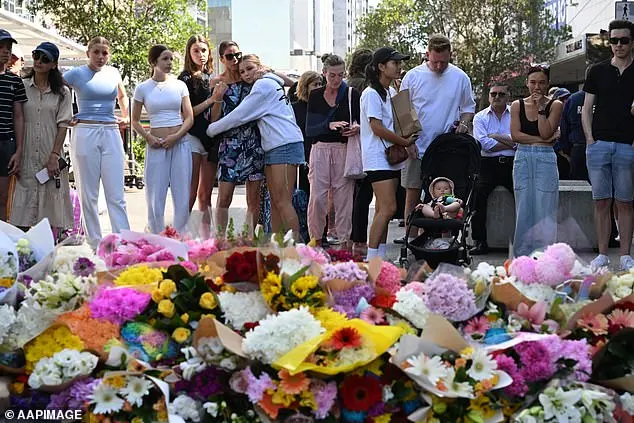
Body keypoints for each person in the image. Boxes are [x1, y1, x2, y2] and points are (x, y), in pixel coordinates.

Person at [206, 55, 304, 237]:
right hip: (275, 146)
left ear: (260, 67)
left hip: (285, 144)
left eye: (250, 68)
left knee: (283, 201)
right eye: (242, 71)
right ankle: (277, 246)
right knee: (275, 201)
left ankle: (297, 249)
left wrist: (211, 129)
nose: (246, 74)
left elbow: (240, 115)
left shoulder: (264, 85)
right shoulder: (272, 83)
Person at [397, 34, 476, 244]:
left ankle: (441, 241)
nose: (440, 66)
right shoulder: (413, 76)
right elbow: (403, 111)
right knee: (412, 196)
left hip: (445, 149)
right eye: (435, 61)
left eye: (444, 61)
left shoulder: (460, 77)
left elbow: (468, 108)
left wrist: (465, 124)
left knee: (444, 198)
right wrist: (408, 142)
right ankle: (410, 241)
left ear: (451, 55)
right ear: (426, 55)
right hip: (417, 146)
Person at [63, 36, 130, 248]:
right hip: (85, 130)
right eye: (96, 52)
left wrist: (127, 115)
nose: (101, 57)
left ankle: (123, 241)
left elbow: (122, 96)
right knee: (88, 192)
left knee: (116, 193)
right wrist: (66, 115)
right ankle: (95, 243)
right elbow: (57, 88)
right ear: (88, 53)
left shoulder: (113, 72)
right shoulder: (77, 73)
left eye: (105, 53)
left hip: (110, 130)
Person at [582, 19, 634, 271]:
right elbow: (586, 109)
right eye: (614, 40)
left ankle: (625, 255)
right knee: (601, 201)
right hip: (599, 143)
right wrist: (590, 139)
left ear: (632, 42)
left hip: (628, 145)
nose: (618, 45)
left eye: (624, 40)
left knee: (625, 202)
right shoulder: (597, 71)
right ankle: (602, 254)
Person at [10, 42, 73, 232]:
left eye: (45, 59)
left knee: (50, 212)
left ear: (54, 64)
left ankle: (50, 254)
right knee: (21, 211)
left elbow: (63, 124)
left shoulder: (63, 92)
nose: (39, 61)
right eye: (37, 55)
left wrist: (54, 155)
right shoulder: (21, 86)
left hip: (49, 151)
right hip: (26, 150)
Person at [361, 47, 417, 260]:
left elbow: (399, 119)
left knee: (382, 211)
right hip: (377, 157)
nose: (399, 66)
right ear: (381, 67)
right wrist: (404, 142)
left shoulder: (390, 92)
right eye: (394, 63)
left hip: (390, 157)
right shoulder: (371, 94)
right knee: (388, 208)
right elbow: (377, 127)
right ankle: (372, 256)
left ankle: (379, 256)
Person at [132, 45, 193, 234]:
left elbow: (189, 117)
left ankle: (181, 236)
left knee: (182, 193)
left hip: (180, 144)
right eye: (164, 59)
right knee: (155, 195)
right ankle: (156, 236)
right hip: (157, 146)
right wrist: (148, 137)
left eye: (171, 59)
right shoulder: (143, 88)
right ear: (153, 62)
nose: (169, 63)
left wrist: (176, 136)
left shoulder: (179, 85)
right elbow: (134, 120)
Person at [208, 44, 265, 235]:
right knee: (224, 197)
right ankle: (221, 239)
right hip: (230, 146)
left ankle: (248, 239)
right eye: (229, 56)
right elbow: (214, 119)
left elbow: (289, 84)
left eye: (237, 55)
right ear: (222, 59)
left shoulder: (251, 79)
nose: (234, 59)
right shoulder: (217, 82)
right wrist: (217, 98)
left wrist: (267, 70)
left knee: (254, 198)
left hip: (254, 144)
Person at [305, 54, 361, 249]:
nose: (337, 80)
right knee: (317, 197)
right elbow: (310, 129)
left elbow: (363, 122)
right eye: (332, 76)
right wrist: (329, 125)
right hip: (320, 149)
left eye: (340, 75)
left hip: (344, 148)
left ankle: (345, 243)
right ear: (324, 74)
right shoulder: (315, 95)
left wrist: (356, 128)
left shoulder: (352, 94)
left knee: (344, 198)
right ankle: (317, 240)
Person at [510, 64, 563, 257]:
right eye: (533, 82)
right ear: (527, 83)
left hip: (545, 158)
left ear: (548, 83)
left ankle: (546, 257)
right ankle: (522, 257)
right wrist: (543, 141)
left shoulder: (555, 105)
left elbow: (546, 131)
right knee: (523, 207)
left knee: (545, 207)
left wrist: (541, 110)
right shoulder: (517, 105)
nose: (537, 87)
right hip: (523, 157)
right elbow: (515, 135)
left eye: (541, 82)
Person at [470, 83, 515, 255]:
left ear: (508, 96)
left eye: (501, 94)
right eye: (493, 94)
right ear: (489, 96)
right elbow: (484, 145)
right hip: (487, 165)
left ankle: (524, 241)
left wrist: (495, 136)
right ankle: (480, 241)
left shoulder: (516, 114)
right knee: (477, 198)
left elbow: (519, 142)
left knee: (523, 198)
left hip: (512, 163)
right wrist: (509, 141)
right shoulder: (480, 117)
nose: (497, 97)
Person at [178, 35, 217, 213]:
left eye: (203, 50)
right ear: (189, 53)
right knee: (190, 192)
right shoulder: (184, 79)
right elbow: (187, 114)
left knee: (206, 195)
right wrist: (212, 100)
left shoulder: (212, 77)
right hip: (192, 136)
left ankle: (205, 237)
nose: (200, 54)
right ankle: (178, 233)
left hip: (210, 138)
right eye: (195, 50)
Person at [347, 48, 375, 256]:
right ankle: (359, 239)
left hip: (347, 144)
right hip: (363, 142)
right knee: (363, 196)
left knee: (348, 195)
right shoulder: (366, 87)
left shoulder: (348, 83)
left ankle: (350, 238)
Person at [0, 30, 26, 222]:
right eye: (1, 47)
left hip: (6, 143)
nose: (5, 52)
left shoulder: (15, 81)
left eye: (8, 48)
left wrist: (18, 150)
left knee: (3, 198)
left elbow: (18, 116)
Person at [292, 70, 322, 194]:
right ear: (305, 86)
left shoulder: (323, 107)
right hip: (301, 159)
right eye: (315, 84)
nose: (319, 88)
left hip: (320, 156)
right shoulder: (294, 108)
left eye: (321, 84)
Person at [559, 88, 587, 180]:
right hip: (585, 146)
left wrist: (566, 149)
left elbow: (565, 127)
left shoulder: (574, 99)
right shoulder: (603, 97)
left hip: (578, 147)